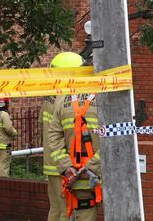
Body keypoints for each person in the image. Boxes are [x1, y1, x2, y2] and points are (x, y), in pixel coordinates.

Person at [49, 51, 101, 221]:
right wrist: (92, 167)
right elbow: (114, 139)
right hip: (103, 172)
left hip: (76, 175)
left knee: (82, 211)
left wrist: (67, 166)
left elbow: (53, 138)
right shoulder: (105, 96)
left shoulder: (61, 99)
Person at [43, 52, 85, 221]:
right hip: (62, 164)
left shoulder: (51, 99)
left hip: (53, 162)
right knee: (65, 211)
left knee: (56, 209)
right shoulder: (63, 101)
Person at [0, 97, 17, 177]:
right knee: (3, 167)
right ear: (5, 104)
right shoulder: (4, 114)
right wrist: (15, 132)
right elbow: (8, 128)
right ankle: (3, 187)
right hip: (5, 146)